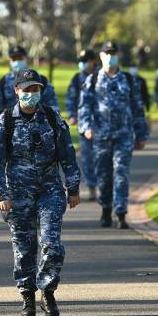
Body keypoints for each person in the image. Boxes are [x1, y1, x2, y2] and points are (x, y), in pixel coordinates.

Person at [0, 68, 81, 316]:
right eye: (27, 89)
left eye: (36, 89)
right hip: (18, 194)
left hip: (50, 191)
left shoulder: (52, 118)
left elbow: (67, 154)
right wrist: (1, 194)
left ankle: (47, 291)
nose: (31, 94)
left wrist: (73, 187)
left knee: (52, 244)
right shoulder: (5, 121)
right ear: (17, 90)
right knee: (24, 247)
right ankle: (27, 295)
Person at [79, 41, 149, 229]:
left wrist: (141, 134)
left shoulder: (128, 79)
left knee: (121, 172)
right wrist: (86, 126)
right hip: (100, 136)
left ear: (118, 55)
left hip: (123, 135)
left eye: (113, 53)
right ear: (100, 57)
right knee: (103, 176)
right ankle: (106, 209)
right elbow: (84, 105)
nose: (110, 56)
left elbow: (137, 107)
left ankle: (121, 213)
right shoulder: (92, 80)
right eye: (106, 53)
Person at [0, 45, 59, 126]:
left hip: (42, 126)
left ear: (26, 58)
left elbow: (53, 106)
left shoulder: (41, 80)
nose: (17, 62)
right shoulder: (3, 82)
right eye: (14, 59)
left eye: (20, 58)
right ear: (9, 60)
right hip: (12, 128)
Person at [66, 48, 98, 201]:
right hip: (84, 125)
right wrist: (72, 115)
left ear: (93, 61)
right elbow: (71, 98)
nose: (83, 64)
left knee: (104, 158)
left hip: (102, 125)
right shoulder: (77, 78)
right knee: (87, 158)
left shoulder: (101, 76)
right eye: (81, 62)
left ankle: (106, 187)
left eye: (86, 61)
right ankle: (92, 187)